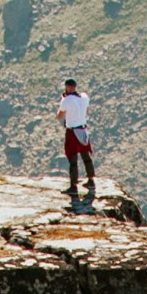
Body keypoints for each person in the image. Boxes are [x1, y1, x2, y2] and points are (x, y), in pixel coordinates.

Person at [58, 77, 95, 206]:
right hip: (83, 130)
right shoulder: (84, 97)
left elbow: (60, 115)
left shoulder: (66, 100)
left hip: (72, 131)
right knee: (86, 156)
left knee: (73, 159)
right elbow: (87, 112)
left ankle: (73, 186)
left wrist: (64, 104)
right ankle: (91, 180)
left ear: (67, 87)